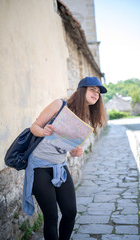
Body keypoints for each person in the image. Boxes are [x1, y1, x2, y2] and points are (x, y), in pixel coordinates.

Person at [23, 76, 107, 240]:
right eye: (92, 90)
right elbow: (34, 127)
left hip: (60, 167)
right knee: (52, 216)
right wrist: (43, 131)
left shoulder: (85, 117)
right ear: (82, 91)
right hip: (39, 167)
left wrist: (74, 151)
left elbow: (65, 145)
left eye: (98, 92)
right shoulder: (59, 105)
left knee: (70, 212)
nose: (96, 94)